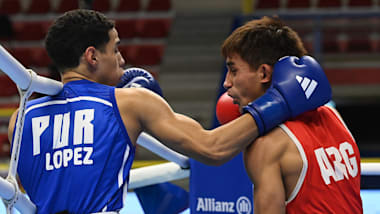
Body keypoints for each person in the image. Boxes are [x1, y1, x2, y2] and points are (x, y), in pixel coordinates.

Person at [7, 10, 330, 213]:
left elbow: (49, 184)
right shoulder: (128, 102)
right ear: (92, 56)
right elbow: (212, 149)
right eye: (115, 48)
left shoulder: (20, 120)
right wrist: (279, 101)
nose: (122, 60)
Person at [219, 16, 362, 213]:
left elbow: (210, 147)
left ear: (263, 73)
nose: (226, 83)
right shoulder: (333, 116)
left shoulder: (268, 145)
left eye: (233, 71)